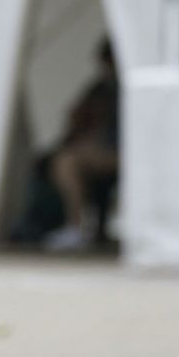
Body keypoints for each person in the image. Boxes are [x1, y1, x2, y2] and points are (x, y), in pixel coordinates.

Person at [43, 39, 120, 252]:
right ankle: (81, 225)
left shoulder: (119, 88)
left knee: (66, 163)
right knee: (64, 158)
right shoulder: (102, 87)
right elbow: (77, 114)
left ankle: (76, 226)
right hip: (105, 147)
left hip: (118, 150)